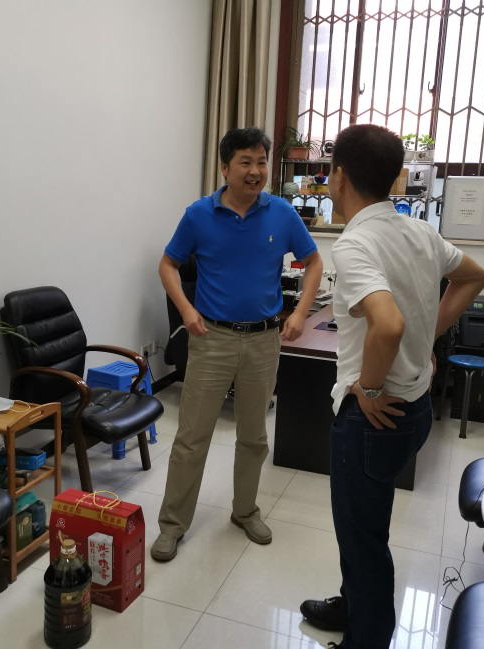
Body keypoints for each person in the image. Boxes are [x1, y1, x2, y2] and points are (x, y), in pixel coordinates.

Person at [298, 124, 484, 648]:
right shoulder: (419, 231)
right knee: (364, 524)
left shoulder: (355, 243)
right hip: (415, 406)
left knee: (363, 539)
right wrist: (430, 336)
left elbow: (388, 325)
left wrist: (368, 387)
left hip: (374, 418)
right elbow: (473, 277)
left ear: (338, 177)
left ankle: (367, 637)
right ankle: (352, 604)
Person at [152, 126, 323, 562]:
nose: (255, 171)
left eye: (261, 162)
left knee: (253, 436)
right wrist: (186, 309)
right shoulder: (198, 214)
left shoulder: (281, 213)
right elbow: (168, 265)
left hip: (264, 340)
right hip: (211, 339)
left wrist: (300, 313)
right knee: (192, 438)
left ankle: (245, 511)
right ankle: (172, 525)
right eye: (245, 162)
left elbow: (313, 261)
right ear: (225, 168)